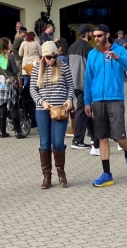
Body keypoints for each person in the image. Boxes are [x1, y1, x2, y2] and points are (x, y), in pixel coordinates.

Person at [85, 25, 127, 188]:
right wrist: (87, 102)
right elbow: (88, 79)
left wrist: (117, 58)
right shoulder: (92, 54)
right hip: (97, 100)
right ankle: (107, 174)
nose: (96, 39)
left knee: (119, 137)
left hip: (115, 98)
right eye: (94, 36)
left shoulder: (120, 50)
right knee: (102, 137)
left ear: (107, 35)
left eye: (99, 35)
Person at [30, 41, 74, 188]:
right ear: (43, 57)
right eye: (48, 57)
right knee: (44, 143)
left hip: (60, 109)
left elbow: (70, 86)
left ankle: (61, 172)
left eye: (53, 56)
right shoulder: (37, 69)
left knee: (58, 143)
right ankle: (46, 176)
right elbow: (32, 89)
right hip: (42, 109)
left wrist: (69, 99)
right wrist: (42, 102)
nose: (51, 60)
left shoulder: (63, 67)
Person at [68, 25, 95, 150]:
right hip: (83, 83)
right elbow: (92, 68)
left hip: (72, 82)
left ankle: (95, 137)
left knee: (87, 110)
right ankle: (77, 140)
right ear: (87, 33)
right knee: (83, 111)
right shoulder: (89, 48)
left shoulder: (72, 46)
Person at [0, 38, 19, 138]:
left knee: (2, 105)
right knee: (13, 104)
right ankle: (18, 132)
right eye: (10, 43)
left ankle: (2, 131)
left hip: (0, 82)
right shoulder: (9, 56)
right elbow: (16, 71)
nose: (11, 44)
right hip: (10, 82)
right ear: (6, 45)